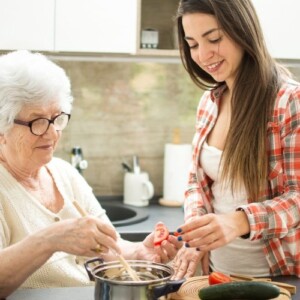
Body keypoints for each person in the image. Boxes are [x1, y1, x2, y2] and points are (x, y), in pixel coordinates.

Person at [0, 50, 181, 297]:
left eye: (57, 118)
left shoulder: (65, 173)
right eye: (38, 122)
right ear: (3, 127)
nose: (52, 134)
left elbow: (111, 247)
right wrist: (50, 239)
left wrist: (138, 252)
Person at [172, 0, 300, 279]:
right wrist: (198, 230)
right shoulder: (209, 102)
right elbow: (197, 182)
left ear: (242, 29)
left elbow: (297, 198)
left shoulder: (289, 101)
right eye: (193, 44)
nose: (204, 55)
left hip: (278, 280)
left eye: (214, 38)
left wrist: (239, 221)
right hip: (218, 275)